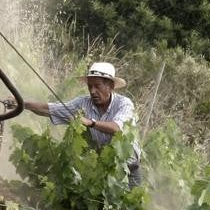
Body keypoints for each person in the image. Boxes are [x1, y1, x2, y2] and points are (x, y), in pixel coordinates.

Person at [13, 62, 143, 188]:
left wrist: (90, 122)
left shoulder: (124, 104)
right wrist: (23, 104)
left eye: (97, 86)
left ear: (110, 86)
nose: (92, 91)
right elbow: (52, 109)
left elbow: (117, 128)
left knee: (129, 208)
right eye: (90, 86)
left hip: (128, 170)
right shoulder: (83, 103)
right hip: (102, 169)